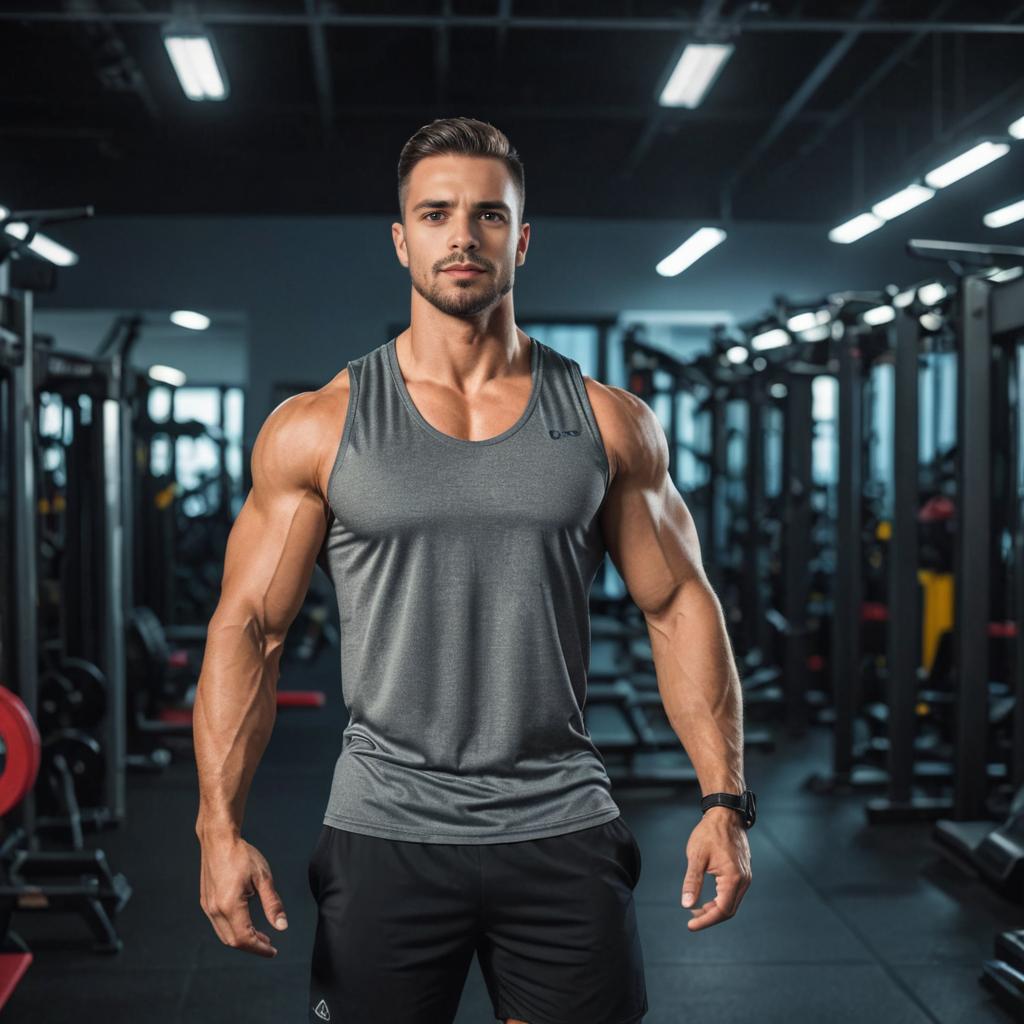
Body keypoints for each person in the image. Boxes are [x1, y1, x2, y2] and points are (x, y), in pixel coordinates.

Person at [194, 116, 753, 1024]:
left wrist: (725, 799)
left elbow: (680, 603)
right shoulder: (319, 426)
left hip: (563, 824)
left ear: (521, 239)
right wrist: (216, 829)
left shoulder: (607, 422)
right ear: (401, 238)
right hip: (385, 830)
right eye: (437, 213)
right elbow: (248, 631)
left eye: (489, 216)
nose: (462, 236)